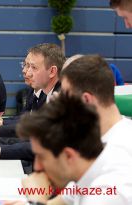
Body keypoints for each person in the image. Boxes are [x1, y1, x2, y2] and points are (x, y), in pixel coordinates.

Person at [8, 55, 132, 205]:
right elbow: (72, 195)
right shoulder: (93, 139)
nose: (59, 101)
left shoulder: (116, 168)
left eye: (65, 96)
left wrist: (36, 200)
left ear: (86, 100)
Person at [0, 43, 65, 169]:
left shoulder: (60, 100)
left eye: (33, 67)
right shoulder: (38, 90)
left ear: (52, 71)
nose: (26, 72)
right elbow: (26, 125)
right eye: (26, 65)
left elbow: (36, 144)